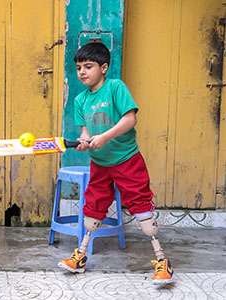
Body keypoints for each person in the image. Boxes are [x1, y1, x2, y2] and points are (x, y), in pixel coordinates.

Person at [57, 42, 173, 285]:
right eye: (79, 68)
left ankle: (163, 262)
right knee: (93, 208)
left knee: (142, 210)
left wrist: (105, 136)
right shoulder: (80, 100)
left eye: (88, 67)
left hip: (126, 160)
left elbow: (130, 119)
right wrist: (84, 142)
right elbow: (86, 133)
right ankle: (81, 256)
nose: (82, 72)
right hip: (100, 163)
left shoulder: (115, 87)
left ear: (103, 67)